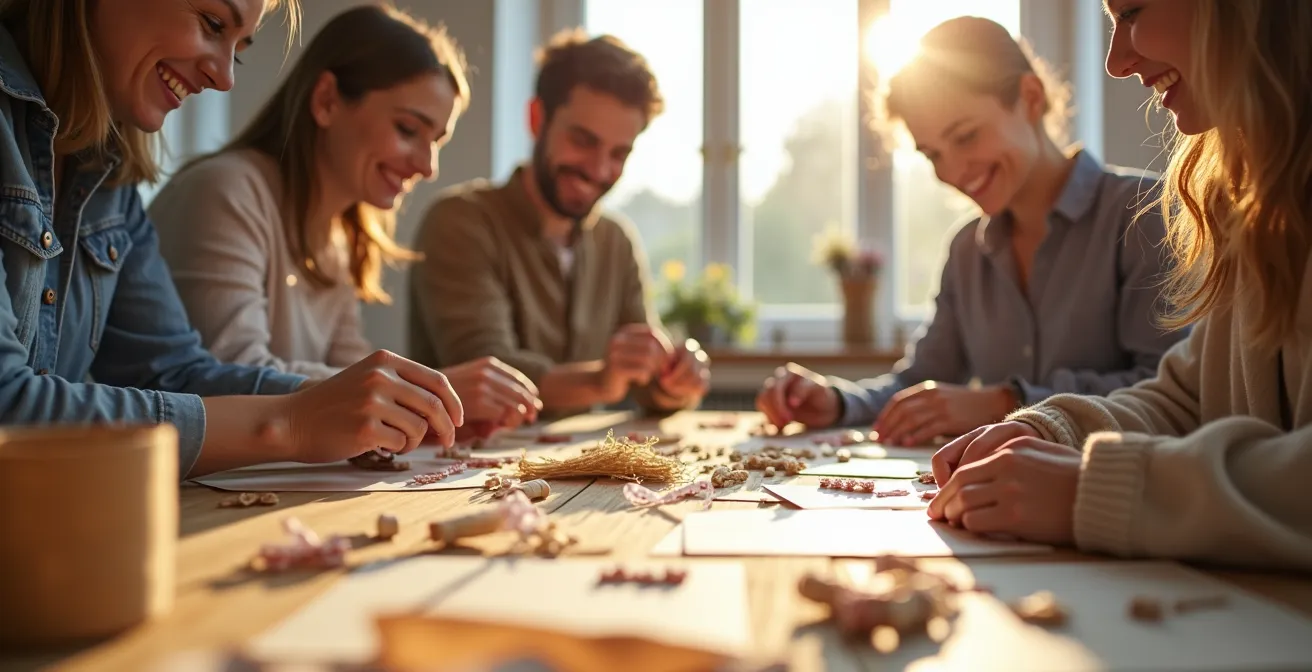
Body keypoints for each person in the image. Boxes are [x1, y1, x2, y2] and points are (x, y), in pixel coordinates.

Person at [0, 0, 465, 480]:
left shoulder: (107, 174)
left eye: (238, 50)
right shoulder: (227, 188)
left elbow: (174, 374)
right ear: (326, 101)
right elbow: (8, 406)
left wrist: (384, 399)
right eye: (212, 23)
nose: (224, 79)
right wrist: (290, 422)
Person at [928, 0, 1312, 571]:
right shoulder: (1255, 203)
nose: (1116, 60)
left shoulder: (1139, 212)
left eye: (1131, 11)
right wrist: (1051, 427)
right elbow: (1190, 396)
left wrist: (1094, 489)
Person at [755, 16, 1185, 446]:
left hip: (1113, 498)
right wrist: (837, 402)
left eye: (965, 136)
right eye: (932, 154)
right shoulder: (966, 251)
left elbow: (1170, 395)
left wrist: (1005, 402)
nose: (951, 171)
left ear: (1030, 99)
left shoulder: (1145, 213)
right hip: (997, 499)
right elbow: (923, 381)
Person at [150, 5, 540, 438]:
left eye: (437, 141)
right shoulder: (226, 190)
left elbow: (348, 378)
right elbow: (227, 378)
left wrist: (425, 414)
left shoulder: (340, 236)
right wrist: (416, 394)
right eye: (408, 129)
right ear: (327, 100)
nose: (428, 167)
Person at [409, 30, 710, 416]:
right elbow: (488, 378)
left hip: (579, 471)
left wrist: (675, 380)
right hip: (468, 469)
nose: (599, 170)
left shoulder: (616, 241)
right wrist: (602, 380)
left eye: (619, 153)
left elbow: (647, 382)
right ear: (537, 118)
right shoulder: (460, 221)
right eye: (583, 141)